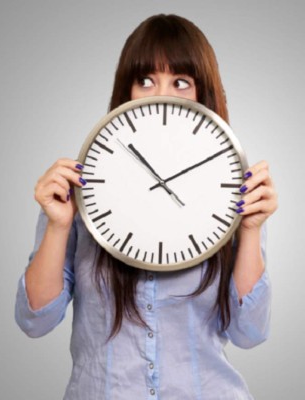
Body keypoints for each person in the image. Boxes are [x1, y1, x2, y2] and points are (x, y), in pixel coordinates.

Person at [15, 14, 278, 400]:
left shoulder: (231, 189)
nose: (161, 95)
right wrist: (58, 225)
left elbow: (249, 333)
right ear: (127, 91)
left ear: (202, 95)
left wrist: (251, 229)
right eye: (146, 80)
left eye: (181, 82)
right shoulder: (82, 187)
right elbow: (34, 321)